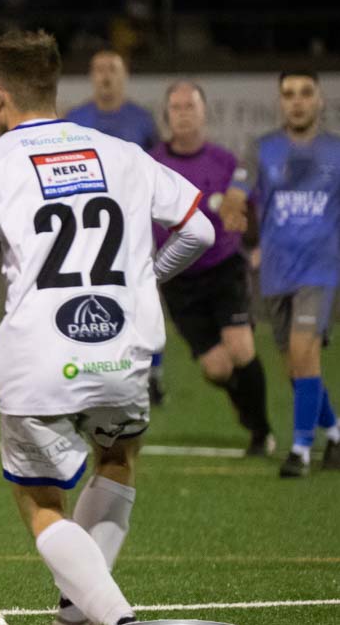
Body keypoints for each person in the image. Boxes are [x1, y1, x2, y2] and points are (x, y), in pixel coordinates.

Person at [0, 30, 214, 625]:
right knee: (116, 460)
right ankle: (75, 622)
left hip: (38, 358)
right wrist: (146, 278)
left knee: (40, 501)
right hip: (121, 348)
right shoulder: (121, 153)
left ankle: (122, 622)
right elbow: (200, 231)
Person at [221, 71, 340, 478]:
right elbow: (235, 195)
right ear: (281, 102)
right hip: (275, 271)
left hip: (320, 270)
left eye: (306, 93)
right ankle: (335, 433)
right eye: (289, 94)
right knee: (296, 368)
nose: (297, 101)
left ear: (319, 100)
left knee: (305, 352)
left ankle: (301, 451)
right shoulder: (263, 148)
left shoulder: (336, 150)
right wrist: (233, 213)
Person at [151, 80, 273, 455]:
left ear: (205, 113)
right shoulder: (151, 164)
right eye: (176, 107)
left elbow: (251, 208)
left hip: (224, 269)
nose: (183, 114)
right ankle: (243, 400)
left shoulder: (224, 162)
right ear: (167, 115)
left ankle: (261, 432)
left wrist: (256, 244)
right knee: (217, 368)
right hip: (178, 279)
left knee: (241, 348)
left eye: (190, 106)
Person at [64, 50, 168, 403]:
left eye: (112, 69)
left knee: (144, 298)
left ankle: (153, 372)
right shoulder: (75, 120)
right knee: (90, 298)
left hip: (134, 227)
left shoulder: (141, 120)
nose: (105, 76)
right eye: (99, 69)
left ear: (125, 75)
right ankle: (96, 370)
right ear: (91, 76)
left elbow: (157, 170)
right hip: (87, 229)